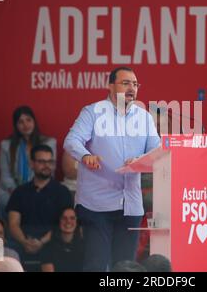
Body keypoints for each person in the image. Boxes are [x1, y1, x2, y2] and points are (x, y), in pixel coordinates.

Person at [63, 67, 160, 271]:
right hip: (96, 204)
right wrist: (86, 156)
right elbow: (72, 140)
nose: (132, 88)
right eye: (126, 83)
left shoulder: (144, 118)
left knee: (125, 267)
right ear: (110, 86)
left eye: (135, 84)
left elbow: (156, 152)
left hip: (131, 204)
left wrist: (140, 160)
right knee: (96, 265)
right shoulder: (92, 112)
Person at [7, 144, 72, 271]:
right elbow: (13, 223)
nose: (47, 165)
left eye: (50, 162)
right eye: (42, 161)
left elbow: (65, 223)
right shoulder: (20, 192)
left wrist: (41, 242)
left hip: (52, 241)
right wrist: (25, 241)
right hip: (22, 242)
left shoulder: (62, 192)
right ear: (32, 164)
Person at [0, 106, 56, 220]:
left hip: (40, 187)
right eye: (21, 122)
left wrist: (32, 192)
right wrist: (18, 193)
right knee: (1, 198)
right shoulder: (6, 145)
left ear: (34, 121)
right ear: (16, 125)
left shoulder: (49, 143)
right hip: (12, 190)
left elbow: (49, 172)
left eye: (28, 120)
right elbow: (5, 176)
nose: (25, 125)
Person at [40, 207, 84, 272]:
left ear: (77, 222)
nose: (68, 221)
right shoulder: (48, 248)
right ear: (59, 221)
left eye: (72, 218)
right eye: (64, 218)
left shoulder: (85, 248)